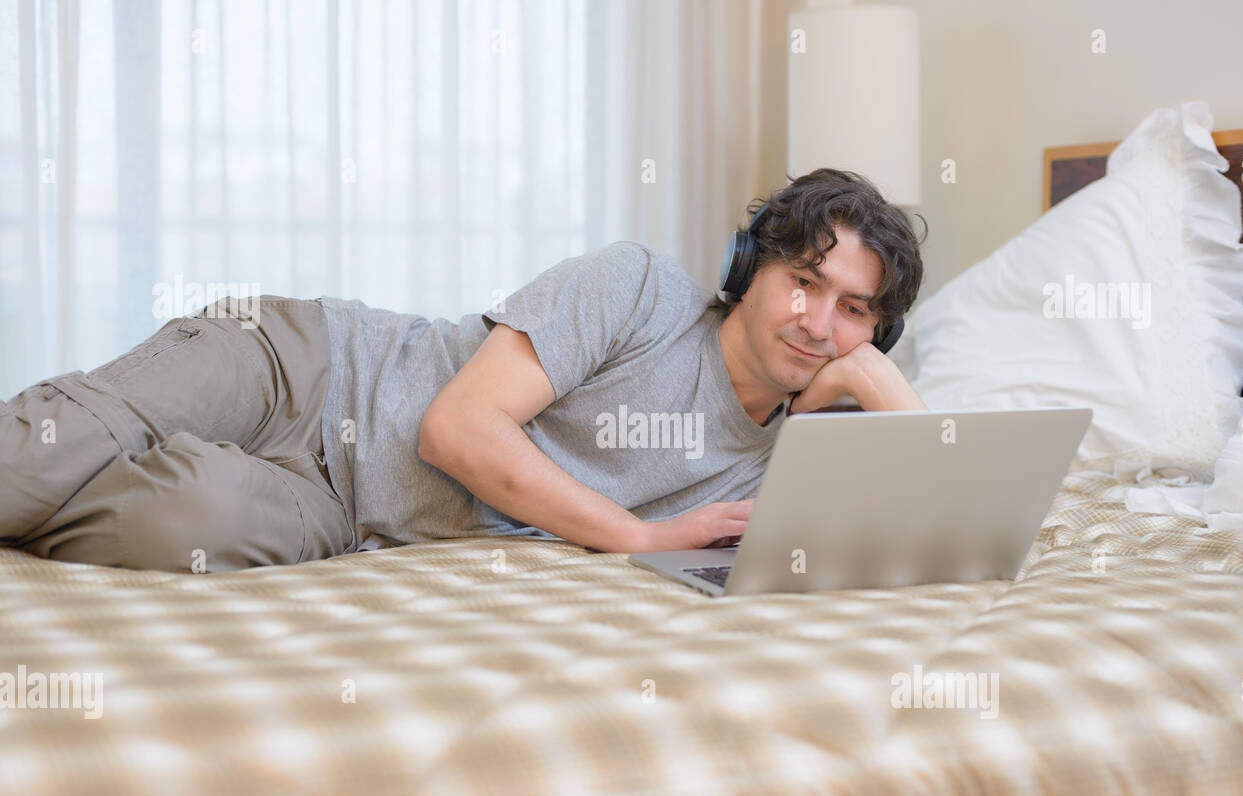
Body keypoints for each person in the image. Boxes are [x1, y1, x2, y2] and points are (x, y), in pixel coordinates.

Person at [0, 168, 927, 573]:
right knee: (48, 452)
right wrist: (637, 538)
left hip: (342, 512)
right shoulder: (640, 289)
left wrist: (880, 389)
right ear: (751, 270)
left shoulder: (782, 468)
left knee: (185, 522)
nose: (817, 321)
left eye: (855, 309)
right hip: (311, 369)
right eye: (805, 281)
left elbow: (936, 537)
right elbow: (457, 429)